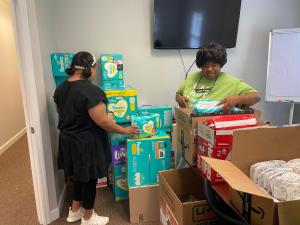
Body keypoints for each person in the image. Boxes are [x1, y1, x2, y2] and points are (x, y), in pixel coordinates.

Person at [53, 51, 139, 225]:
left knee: (79, 176)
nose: (95, 72)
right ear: (88, 68)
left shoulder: (60, 88)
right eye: (94, 68)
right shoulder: (91, 91)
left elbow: (61, 112)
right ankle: (88, 216)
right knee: (90, 178)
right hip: (85, 142)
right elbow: (103, 122)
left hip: (68, 140)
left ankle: (75, 211)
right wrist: (126, 130)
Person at [175, 42, 260, 111]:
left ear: (221, 64)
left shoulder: (231, 81)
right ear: (200, 66)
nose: (209, 69)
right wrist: (179, 98)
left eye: (213, 65)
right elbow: (179, 93)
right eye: (205, 65)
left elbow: (256, 97)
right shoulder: (192, 77)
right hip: (187, 121)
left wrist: (237, 99)